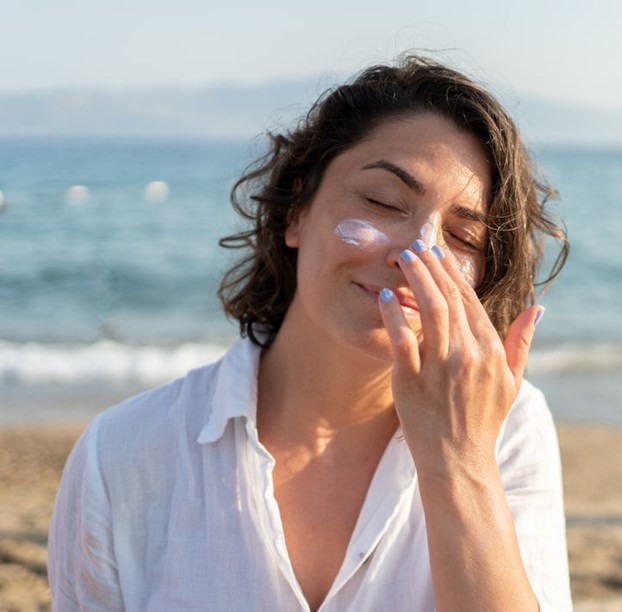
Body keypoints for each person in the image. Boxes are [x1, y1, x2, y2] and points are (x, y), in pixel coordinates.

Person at [47, 56, 572, 611]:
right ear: (296, 210)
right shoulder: (122, 455)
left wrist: (459, 461)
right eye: (382, 202)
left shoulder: (509, 430)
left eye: (463, 237)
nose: (418, 253)